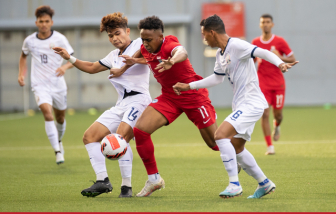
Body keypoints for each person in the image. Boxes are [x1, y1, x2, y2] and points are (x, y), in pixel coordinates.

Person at [173, 15, 298, 199]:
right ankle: (264, 183)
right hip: (242, 104)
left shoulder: (238, 46)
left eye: (204, 34)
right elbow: (217, 78)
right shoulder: (220, 53)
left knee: (220, 135)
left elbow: (262, 52)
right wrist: (189, 86)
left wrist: (280, 63)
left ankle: (234, 184)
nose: (204, 38)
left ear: (212, 32)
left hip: (251, 102)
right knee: (237, 147)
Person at [116, 16, 219, 197]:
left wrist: (172, 61)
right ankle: (154, 179)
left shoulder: (170, 43)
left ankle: (238, 155)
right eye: (143, 39)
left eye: (149, 39)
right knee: (140, 130)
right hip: (170, 97)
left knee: (214, 143)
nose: (145, 43)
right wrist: (123, 69)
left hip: (193, 95)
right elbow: (138, 57)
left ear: (160, 37)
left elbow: (182, 52)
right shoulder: (144, 48)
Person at [53, 12, 151, 198]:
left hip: (139, 100)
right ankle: (102, 181)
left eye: (117, 33)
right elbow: (91, 67)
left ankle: (126, 187)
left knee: (120, 138)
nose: (114, 38)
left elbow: (154, 58)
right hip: (121, 104)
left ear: (127, 31)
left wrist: (131, 62)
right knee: (89, 136)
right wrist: (69, 58)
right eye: (110, 35)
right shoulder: (113, 55)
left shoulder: (139, 44)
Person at [18, 5, 74, 165]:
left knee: (60, 118)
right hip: (39, 84)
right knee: (47, 113)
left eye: (46, 21)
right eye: (41, 21)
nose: (43, 24)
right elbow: (23, 56)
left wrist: (64, 66)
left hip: (58, 85)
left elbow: (71, 59)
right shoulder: (29, 41)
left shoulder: (60, 39)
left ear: (51, 22)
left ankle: (59, 140)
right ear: (36, 22)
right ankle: (57, 151)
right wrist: (21, 74)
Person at [252, 14, 296, 155]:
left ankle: (277, 125)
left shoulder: (279, 41)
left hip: (278, 85)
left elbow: (292, 58)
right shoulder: (255, 42)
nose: (265, 24)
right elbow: (250, 62)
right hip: (262, 84)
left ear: (272, 25)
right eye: (263, 22)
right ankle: (269, 146)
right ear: (260, 25)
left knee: (278, 115)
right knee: (264, 113)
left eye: (268, 22)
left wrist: (279, 55)